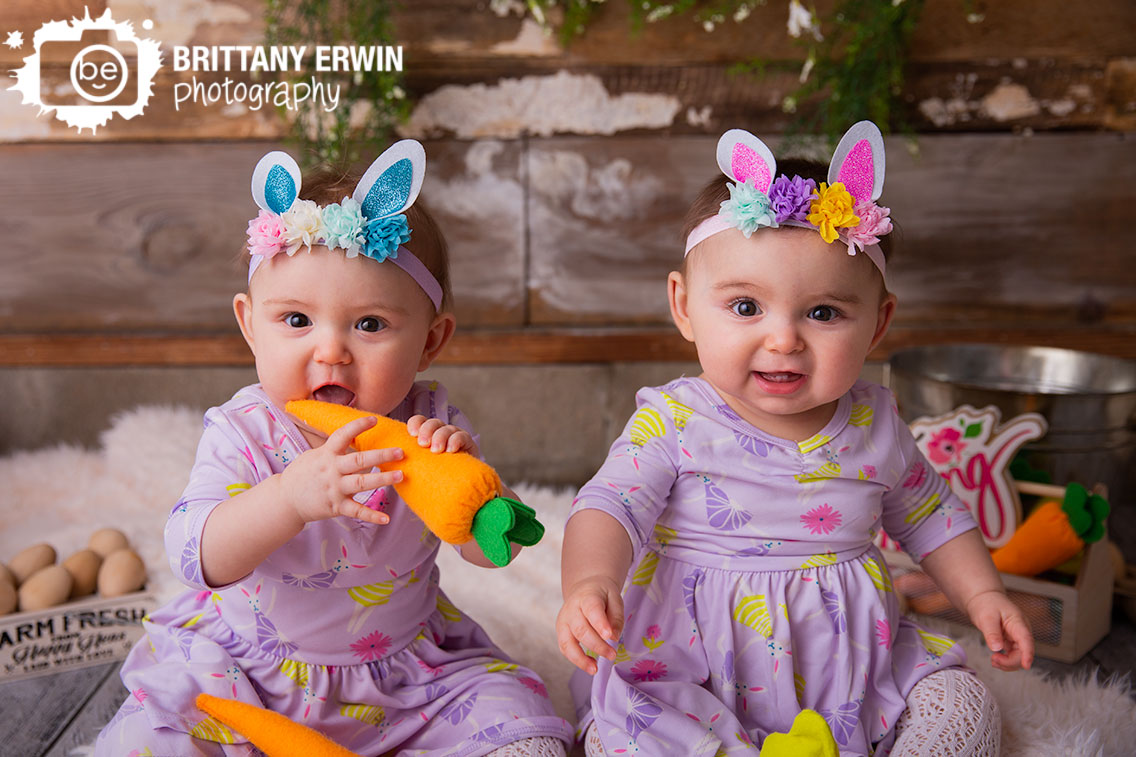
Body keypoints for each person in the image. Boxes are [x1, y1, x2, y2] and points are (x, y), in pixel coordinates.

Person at [555, 122, 1033, 757]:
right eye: (746, 307)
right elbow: (610, 504)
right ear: (685, 306)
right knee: (639, 735)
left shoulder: (877, 423)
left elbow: (931, 513)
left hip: (853, 664)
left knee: (963, 707)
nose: (784, 339)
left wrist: (983, 593)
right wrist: (590, 580)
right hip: (693, 666)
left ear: (878, 322)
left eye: (824, 313)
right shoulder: (674, 420)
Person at [96, 141, 573, 757]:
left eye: (369, 325)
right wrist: (290, 499)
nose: (331, 351)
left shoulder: (431, 423)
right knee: (152, 736)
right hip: (251, 672)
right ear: (249, 325)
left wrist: (478, 493)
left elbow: (489, 554)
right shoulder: (243, 432)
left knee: (523, 728)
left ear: (430, 342)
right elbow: (195, 554)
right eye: (296, 320)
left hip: (408, 679)